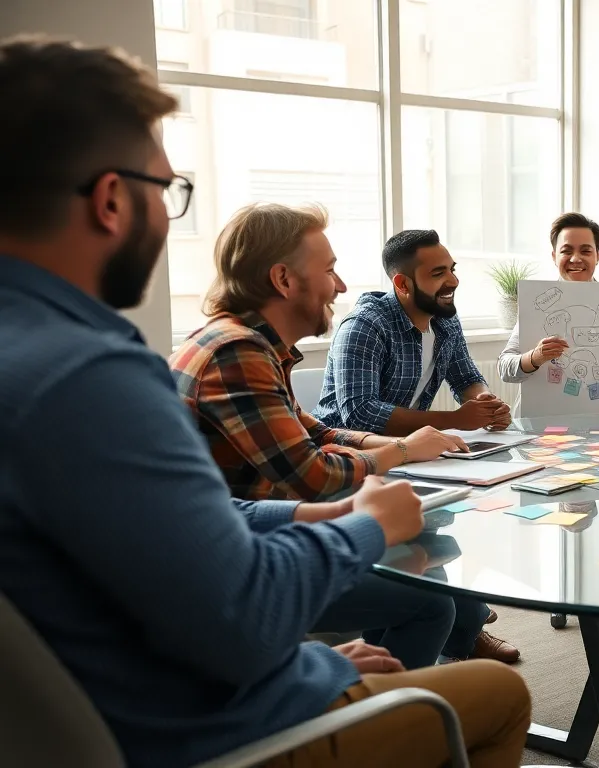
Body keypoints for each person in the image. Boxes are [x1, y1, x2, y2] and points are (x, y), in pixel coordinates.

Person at [0, 35, 529, 768]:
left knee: (427, 604)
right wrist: (363, 528)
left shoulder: (33, 354)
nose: (166, 215)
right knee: (501, 697)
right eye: (167, 190)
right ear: (113, 200)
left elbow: (183, 548)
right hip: (209, 735)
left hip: (143, 696)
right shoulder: (90, 377)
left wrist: (319, 516)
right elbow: (242, 624)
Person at [171, 205, 520, 666]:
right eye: (330, 270)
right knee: (429, 595)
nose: (339, 286)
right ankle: (384, 712)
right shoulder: (239, 353)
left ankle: (420, 654)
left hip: (254, 532)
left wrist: (406, 446)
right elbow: (313, 474)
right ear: (283, 280)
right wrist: (400, 449)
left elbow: (314, 429)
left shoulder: (246, 344)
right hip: (237, 567)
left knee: (425, 549)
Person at [312, 228, 514, 435]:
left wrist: (487, 405)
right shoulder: (364, 326)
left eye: (451, 270)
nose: (453, 281)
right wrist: (454, 419)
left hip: (408, 446)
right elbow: (360, 413)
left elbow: (466, 379)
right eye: (438, 273)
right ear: (402, 284)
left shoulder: (446, 320)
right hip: (343, 450)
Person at [497, 212, 599, 415]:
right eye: (566, 251)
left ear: (597, 256)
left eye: (585, 251)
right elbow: (504, 368)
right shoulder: (539, 304)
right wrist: (534, 357)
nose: (576, 259)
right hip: (543, 425)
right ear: (554, 256)